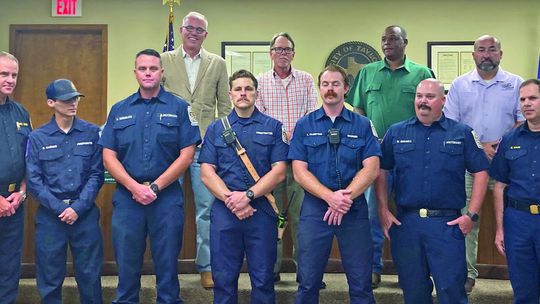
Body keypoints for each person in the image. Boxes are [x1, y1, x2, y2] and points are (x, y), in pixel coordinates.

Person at [99, 49, 201, 303]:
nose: (147, 73)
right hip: (127, 198)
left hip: (166, 198)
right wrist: (135, 187)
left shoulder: (180, 108)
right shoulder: (119, 109)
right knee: (127, 264)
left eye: (153, 68)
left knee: (167, 265)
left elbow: (187, 155)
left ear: (161, 72)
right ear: (135, 73)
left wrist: (155, 187)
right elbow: (109, 156)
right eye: (142, 68)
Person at [376, 79, 490, 304]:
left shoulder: (462, 133)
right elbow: (381, 170)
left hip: (447, 225)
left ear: (443, 101)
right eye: (419, 96)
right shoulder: (396, 132)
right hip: (407, 224)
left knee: (452, 290)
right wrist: (383, 211)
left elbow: (481, 172)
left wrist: (472, 214)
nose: (422, 101)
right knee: (413, 290)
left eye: (429, 97)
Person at [346, 25, 434, 288]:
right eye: (383, 39)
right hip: (375, 157)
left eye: (393, 38)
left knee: (412, 213)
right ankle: (372, 268)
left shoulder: (421, 73)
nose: (387, 43)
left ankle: (415, 270)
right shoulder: (368, 72)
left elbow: (429, 111)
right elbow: (359, 110)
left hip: (412, 156)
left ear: (405, 42)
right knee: (372, 212)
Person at [289, 64, 380, 303]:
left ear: (346, 88)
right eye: (326, 84)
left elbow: (371, 168)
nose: (330, 89)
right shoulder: (304, 125)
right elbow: (299, 171)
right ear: (320, 88)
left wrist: (344, 198)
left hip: (353, 209)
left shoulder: (362, 125)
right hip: (315, 210)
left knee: (361, 283)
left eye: (336, 84)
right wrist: (330, 198)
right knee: (307, 282)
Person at [199, 69, 288, 304]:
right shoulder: (216, 129)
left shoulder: (274, 127)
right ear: (230, 94)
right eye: (238, 89)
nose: (243, 93)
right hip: (225, 213)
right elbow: (207, 173)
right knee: (224, 279)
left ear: (257, 94)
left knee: (263, 280)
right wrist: (233, 200)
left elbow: (279, 171)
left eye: (248, 88)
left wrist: (248, 196)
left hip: (262, 212)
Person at [444, 34, 524, 294]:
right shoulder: (459, 85)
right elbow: (452, 126)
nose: (486, 54)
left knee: (515, 220)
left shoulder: (516, 84)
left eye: (492, 49)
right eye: (481, 50)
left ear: (501, 53)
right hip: (469, 165)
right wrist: (481, 146)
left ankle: (522, 274)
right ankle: (467, 274)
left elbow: (523, 120)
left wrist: (499, 145)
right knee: (468, 219)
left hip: (509, 166)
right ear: (474, 55)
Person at [161, 11, 230, 289]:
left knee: (208, 208)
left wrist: (219, 143)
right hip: (170, 148)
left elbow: (224, 108)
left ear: (206, 35)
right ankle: (168, 267)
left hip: (204, 147)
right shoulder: (163, 61)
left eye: (199, 29)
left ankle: (207, 266)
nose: (193, 32)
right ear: (180, 30)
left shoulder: (218, 63)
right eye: (189, 28)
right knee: (169, 208)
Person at [26, 79, 104, 303]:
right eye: (66, 99)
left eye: (75, 98)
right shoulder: (38, 137)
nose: (73, 103)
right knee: (50, 277)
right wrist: (61, 208)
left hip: (85, 214)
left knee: (90, 275)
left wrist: (78, 208)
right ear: (51, 102)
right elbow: (34, 180)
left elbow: (96, 174)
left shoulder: (91, 133)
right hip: (51, 216)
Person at [255, 32, 318, 285]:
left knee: (302, 218)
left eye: (287, 49)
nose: (283, 53)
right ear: (270, 53)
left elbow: (312, 114)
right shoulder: (259, 81)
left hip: (300, 161)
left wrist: (294, 135)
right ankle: (271, 270)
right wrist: (280, 134)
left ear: (294, 53)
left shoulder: (305, 80)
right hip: (270, 161)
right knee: (271, 216)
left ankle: (307, 273)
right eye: (278, 49)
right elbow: (258, 119)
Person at [490, 79, 540, 303]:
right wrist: (500, 229)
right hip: (518, 221)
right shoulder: (510, 139)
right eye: (522, 99)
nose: (527, 104)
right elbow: (499, 186)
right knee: (522, 285)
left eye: (533, 98)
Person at [0, 51, 31, 304]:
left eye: (14, 75)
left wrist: (21, 192)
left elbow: (28, 157)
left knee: (10, 267)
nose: (10, 79)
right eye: (3, 74)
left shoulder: (21, 113)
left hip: (14, 203)